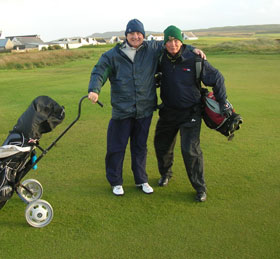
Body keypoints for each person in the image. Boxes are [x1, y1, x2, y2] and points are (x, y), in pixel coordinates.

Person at [87, 19, 205, 196]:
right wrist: (94, 89)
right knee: (116, 147)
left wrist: (191, 48)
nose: (135, 36)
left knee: (140, 147)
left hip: (144, 110)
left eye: (139, 33)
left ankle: (141, 179)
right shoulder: (112, 55)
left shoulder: (151, 48)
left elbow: (172, 43)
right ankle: (116, 182)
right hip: (122, 110)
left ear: (143, 35)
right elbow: (99, 71)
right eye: (132, 33)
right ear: (126, 35)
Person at [154, 25, 232, 202]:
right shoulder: (160, 58)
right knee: (162, 145)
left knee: (190, 151)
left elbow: (217, 78)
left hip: (191, 112)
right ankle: (166, 174)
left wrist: (222, 101)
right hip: (168, 112)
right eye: (169, 41)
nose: (173, 44)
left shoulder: (194, 59)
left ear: (181, 41)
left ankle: (200, 187)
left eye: (176, 40)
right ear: (165, 43)